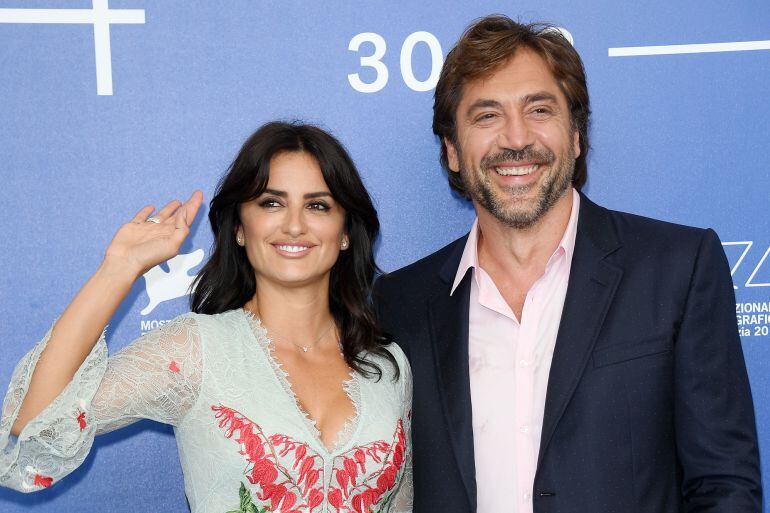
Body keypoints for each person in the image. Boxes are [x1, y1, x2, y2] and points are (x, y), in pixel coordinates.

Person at [373, 15, 761, 513]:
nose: (516, 138)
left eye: (539, 110)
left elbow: (723, 486)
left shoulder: (677, 270)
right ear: (452, 150)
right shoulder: (400, 304)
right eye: (487, 115)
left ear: (576, 136)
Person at [0, 121, 413, 513]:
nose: (294, 225)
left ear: (345, 232)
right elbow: (34, 419)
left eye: (318, 206)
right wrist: (119, 269)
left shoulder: (388, 367)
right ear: (238, 228)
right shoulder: (196, 351)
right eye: (271, 202)